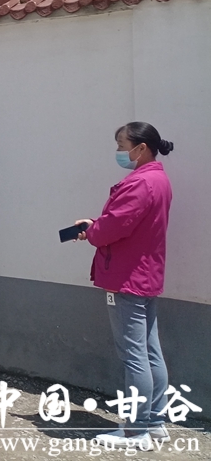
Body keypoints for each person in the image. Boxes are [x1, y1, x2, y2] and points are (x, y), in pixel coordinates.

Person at [76, 122, 174, 447]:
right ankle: (154, 421)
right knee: (149, 350)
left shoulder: (140, 183)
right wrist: (96, 226)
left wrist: (91, 231)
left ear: (140, 148)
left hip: (127, 277)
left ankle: (135, 430)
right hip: (146, 274)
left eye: (122, 145)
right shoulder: (159, 179)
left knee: (134, 355)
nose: (119, 151)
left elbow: (113, 228)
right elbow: (124, 223)